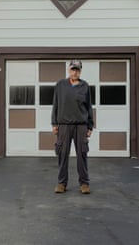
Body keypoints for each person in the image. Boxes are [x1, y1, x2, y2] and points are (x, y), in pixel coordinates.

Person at [51, 59, 93, 194]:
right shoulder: (60, 85)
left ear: (80, 71)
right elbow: (55, 105)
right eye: (73, 69)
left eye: (77, 70)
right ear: (68, 70)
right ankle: (62, 183)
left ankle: (84, 183)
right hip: (63, 125)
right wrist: (54, 123)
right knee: (62, 154)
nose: (75, 72)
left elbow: (89, 107)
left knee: (82, 154)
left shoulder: (85, 86)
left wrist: (90, 126)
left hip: (81, 125)